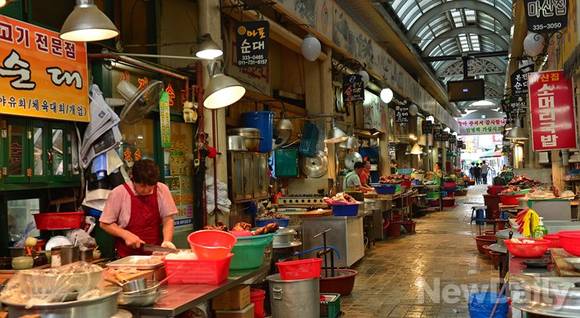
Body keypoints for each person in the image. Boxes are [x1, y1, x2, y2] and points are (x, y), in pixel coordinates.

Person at [101, 159, 178, 257]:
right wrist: (126, 235)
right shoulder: (119, 193)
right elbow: (105, 223)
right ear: (133, 179)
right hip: (127, 256)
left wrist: (167, 242)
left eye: (150, 187)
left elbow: (168, 219)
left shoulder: (162, 189)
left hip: (156, 254)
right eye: (142, 186)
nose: (146, 190)